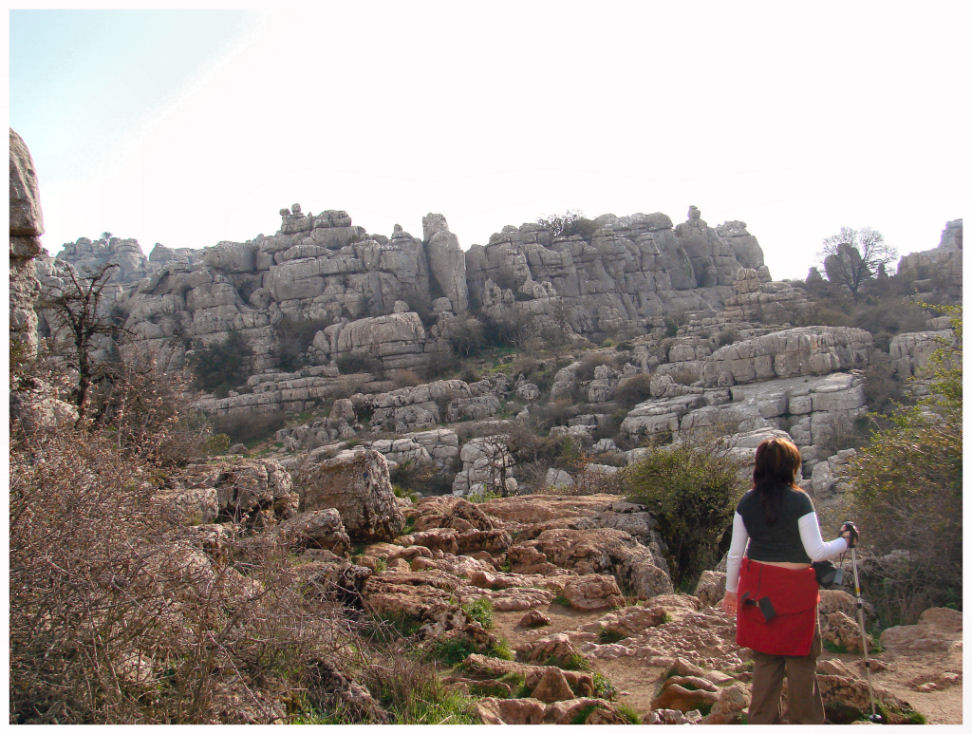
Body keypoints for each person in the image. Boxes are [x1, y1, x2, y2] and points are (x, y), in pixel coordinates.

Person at [720, 437, 858, 724]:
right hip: (795, 595)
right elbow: (816, 552)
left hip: (758, 593)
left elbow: (735, 554)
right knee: (801, 662)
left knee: (765, 661)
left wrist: (730, 591)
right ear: (791, 466)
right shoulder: (799, 500)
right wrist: (845, 541)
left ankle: (761, 723)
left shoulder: (747, 501)